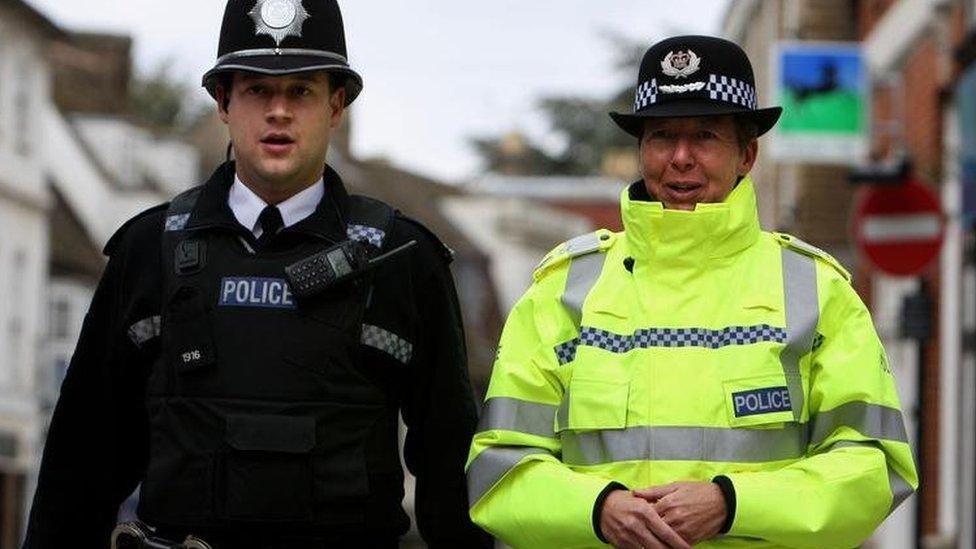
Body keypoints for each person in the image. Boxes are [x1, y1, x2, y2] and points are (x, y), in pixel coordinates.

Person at [24, 1, 490, 547]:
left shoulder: (400, 255)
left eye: (301, 92)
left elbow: (450, 466)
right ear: (223, 102)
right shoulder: (150, 248)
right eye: (257, 91)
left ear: (335, 105)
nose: (278, 112)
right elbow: (81, 461)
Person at [466, 35, 917, 549]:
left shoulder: (817, 290)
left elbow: (873, 467)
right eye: (661, 136)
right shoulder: (562, 292)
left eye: (704, 136)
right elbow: (497, 469)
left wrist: (731, 504)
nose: (680, 158)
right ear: (641, 150)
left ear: (746, 155)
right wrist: (597, 511)